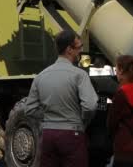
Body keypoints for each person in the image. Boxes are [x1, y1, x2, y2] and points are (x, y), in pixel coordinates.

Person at [25, 30, 99, 167]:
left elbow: (29, 109)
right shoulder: (79, 75)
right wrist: (82, 121)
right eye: (79, 48)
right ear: (69, 50)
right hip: (72, 134)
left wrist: (48, 119)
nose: (80, 52)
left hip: (48, 135)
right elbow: (90, 105)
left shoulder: (41, 76)